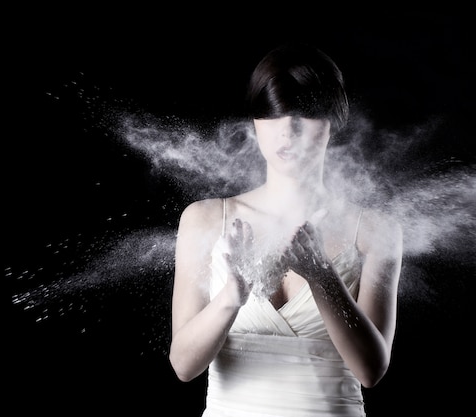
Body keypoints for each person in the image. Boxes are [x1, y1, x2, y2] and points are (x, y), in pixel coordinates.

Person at [169, 42, 403, 417]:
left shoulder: (376, 231)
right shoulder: (205, 219)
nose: (287, 131)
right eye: (273, 114)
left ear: (333, 122)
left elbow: (371, 371)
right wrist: (233, 294)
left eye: (305, 114)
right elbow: (183, 366)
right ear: (256, 123)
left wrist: (323, 278)